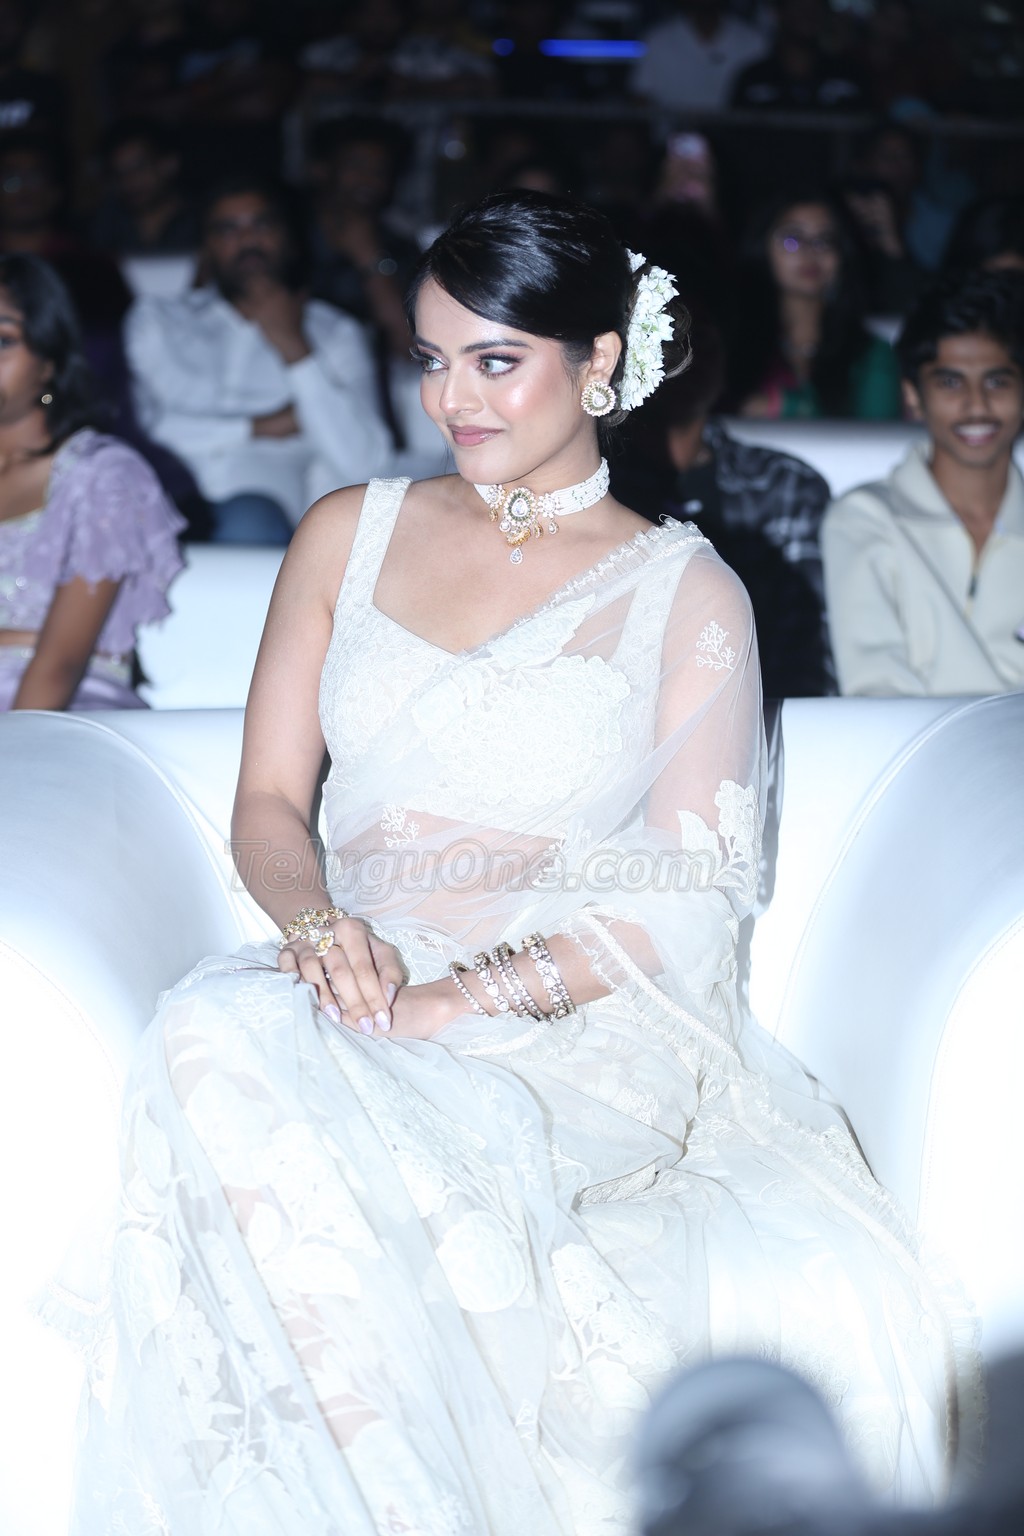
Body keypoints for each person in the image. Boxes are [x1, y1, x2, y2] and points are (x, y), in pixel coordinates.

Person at [69, 191, 967, 1533]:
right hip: (356, 974)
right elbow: (266, 801)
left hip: (567, 1012)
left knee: (310, 1102)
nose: (453, 399)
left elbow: (689, 902)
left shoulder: (686, 592)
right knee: (210, 1033)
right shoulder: (345, 531)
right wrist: (316, 928)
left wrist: (455, 1002)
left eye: (495, 360)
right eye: (432, 359)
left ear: (600, 360)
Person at [124, 175, 391, 544]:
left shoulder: (335, 333)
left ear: (289, 238)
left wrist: (295, 348)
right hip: (156, 509)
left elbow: (366, 462)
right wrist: (265, 426)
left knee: (249, 517)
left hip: (263, 531)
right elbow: (150, 428)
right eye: (228, 229)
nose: (248, 240)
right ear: (207, 247)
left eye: (262, 224)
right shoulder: (158, 321)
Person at [613, 306, 835, 696]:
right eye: (662, 344)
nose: (681, 360)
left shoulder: (784, 484)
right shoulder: (599, 490)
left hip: (762, 705)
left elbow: (805, 653)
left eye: (697, 343)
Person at [822, 270, 1024, 697]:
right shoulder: (864, 519)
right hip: (913, 740)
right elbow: (877, 688)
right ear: (913, 395)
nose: (977, 404)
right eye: (950, 382)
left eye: (997, 381)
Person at [0, 254, 184, 710]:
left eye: (3, 340)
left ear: (48, 362)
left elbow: (60, 663)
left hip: (63, 706)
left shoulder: (102, 477)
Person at [728, 191, 903, 420]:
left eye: (825, 240)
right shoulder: (731, 344)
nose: (810, 252)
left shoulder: (871, 354)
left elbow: (879, 436)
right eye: (793, 239)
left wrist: (783, 407)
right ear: (762, 247)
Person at [631, 0, 765, 115]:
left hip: (736, 133)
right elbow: (641, 97)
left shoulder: (753, 40)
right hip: (671, 133)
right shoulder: (657, 39)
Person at [91, 117, 199, 257]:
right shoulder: (107, 222)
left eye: (139, 168)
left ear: (169, 163)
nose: (130, 181)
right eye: (120, 173)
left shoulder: (201, 220)